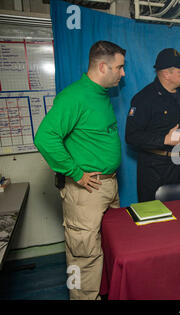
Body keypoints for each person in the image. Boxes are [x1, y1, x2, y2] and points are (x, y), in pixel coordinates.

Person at [34, 40, 126, 300]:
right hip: (86, 191)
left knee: (107, 247)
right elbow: (45, 137)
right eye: (119, 67)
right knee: (82, 254)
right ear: (102, 66)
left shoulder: (101, 94)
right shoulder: (74, 96)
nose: (123, 73)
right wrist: (76, 173)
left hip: (108, 186)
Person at [126, 48, 180, 202]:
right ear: (166, 74)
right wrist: (164, 140)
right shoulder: (144, 99)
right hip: (154, 169)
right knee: (154, 219)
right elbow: (132, 136)